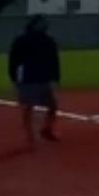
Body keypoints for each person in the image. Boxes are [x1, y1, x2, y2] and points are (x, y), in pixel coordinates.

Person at [8, 15, 61, 149]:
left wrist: (55, 77)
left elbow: (54, 60)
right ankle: (30, 137)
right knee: (28, 107)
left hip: (43, 78)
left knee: (53, 106)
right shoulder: (22, 40)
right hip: (28, 79)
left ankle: (46, 129)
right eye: (42, 23)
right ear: (34, 24)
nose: (45, 25)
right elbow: (14, 60)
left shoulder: (48, 40)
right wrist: (14, 77)